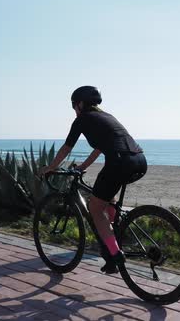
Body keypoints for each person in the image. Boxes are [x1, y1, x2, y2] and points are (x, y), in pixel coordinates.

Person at [39, 86, 147, 273]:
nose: (74, 110)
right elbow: (99, 148)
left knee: (95, 207)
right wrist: (83, 167)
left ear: (79, 104)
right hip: (139, 160)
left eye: (74, 106)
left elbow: (66, 148)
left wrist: (50, 167)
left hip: (119, 162)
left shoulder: (82, 120)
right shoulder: (107, 117)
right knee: (108, 200)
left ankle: (114, 255)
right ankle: (117, 234)